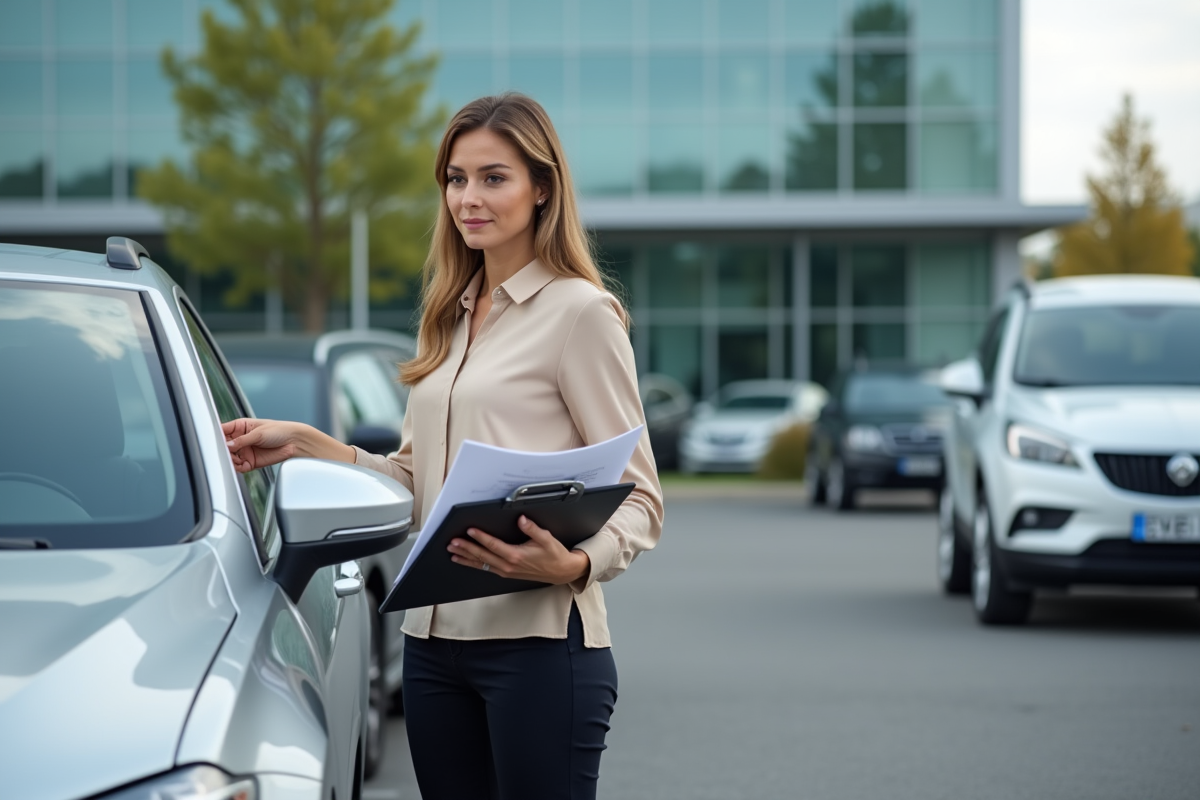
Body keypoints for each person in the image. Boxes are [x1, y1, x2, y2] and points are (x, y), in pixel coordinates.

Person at [221, 93, 664, 800]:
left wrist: (576, 562)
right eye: (456, 179)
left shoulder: (581, 313)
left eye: (494, 177)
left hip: (541, 648)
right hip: (431, 650)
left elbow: (641, 496)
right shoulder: (450, 315)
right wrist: (303, 443)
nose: (469, 198)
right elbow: (412, 477)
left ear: (542, 187)